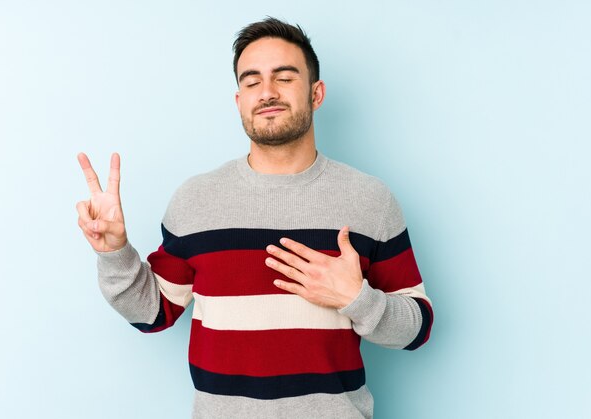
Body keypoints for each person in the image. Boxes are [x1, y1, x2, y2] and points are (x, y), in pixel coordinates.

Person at [76, 17, 433, 419]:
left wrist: (357, 300)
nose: (266, 92)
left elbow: (418, 327)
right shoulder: (195, 200)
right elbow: (154, 312)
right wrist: (115, 253)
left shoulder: (370, 199)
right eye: (251, 81)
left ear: (316, 94)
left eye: (284, 78)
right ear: (239, 100)